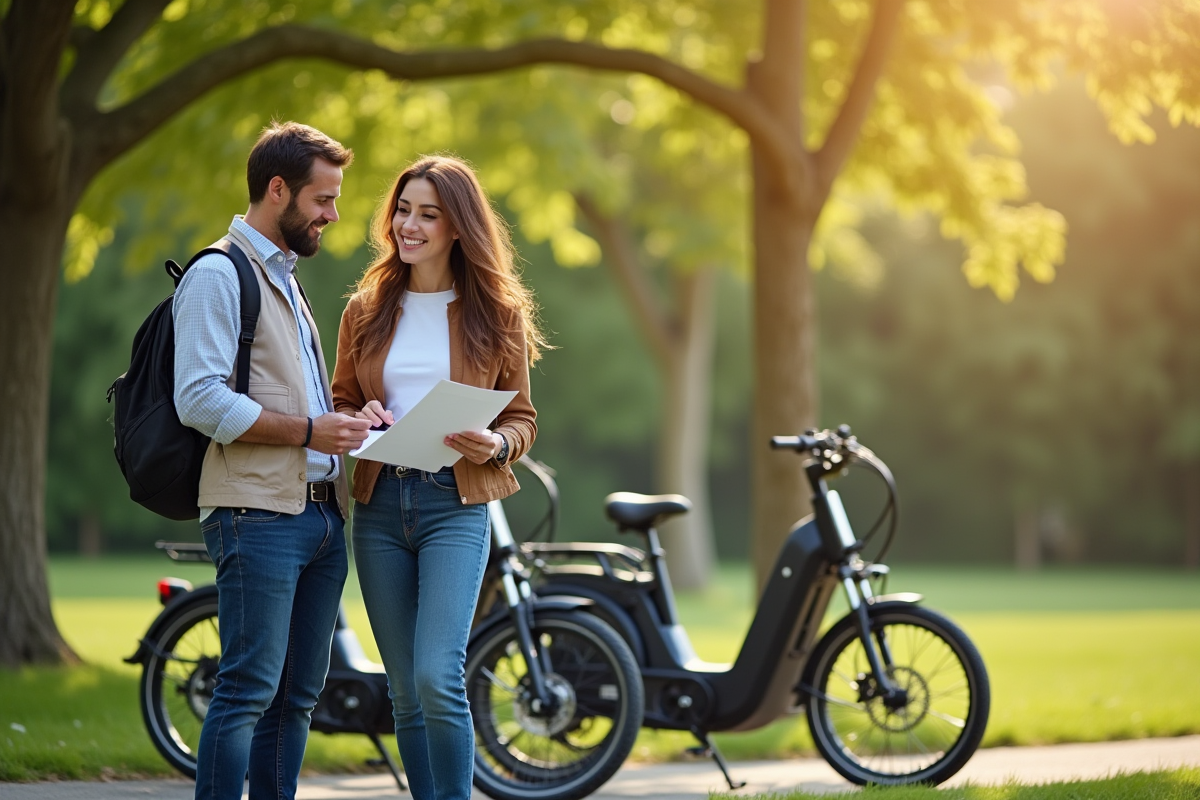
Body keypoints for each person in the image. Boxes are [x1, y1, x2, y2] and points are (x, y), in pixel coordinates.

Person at [332, 155, 545, 800]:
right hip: (378, 504)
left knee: (436, 677)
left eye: (428, 214)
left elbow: (522, 418)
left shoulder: (497, 312)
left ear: (458, 227)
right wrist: (358, 415)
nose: (410, 225)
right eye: (403, 210)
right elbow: (340, 402)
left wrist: (496, 443)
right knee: (404, 689)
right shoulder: (366, 308)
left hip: (454, 504)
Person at [173, 121, 372, 800]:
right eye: (323, 199)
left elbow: (303, 400)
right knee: (247, 691)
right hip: (256, 518)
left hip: (319, 520)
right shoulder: (217, 273)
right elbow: (199, 400)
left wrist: (350, 424)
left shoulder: (286, 279)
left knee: (295, 700)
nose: (333, 215)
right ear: (277, 189)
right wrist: (310, 432)